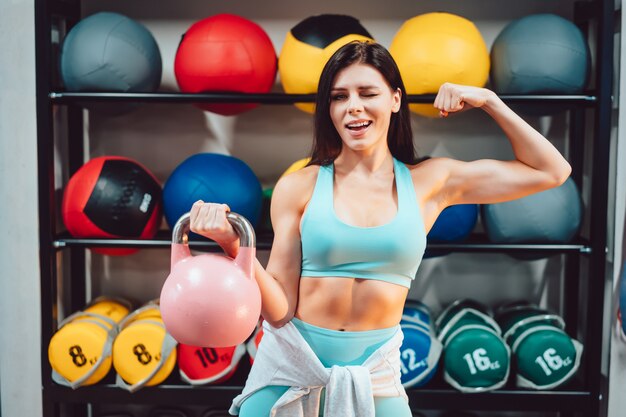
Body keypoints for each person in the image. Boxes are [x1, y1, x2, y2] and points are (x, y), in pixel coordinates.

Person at [189, 41, 571, 417]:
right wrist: (233, 244)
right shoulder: (299, 187)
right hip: (292, 366)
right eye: (339, 97)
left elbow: (552, 171)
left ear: (395, 99)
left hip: (375, 375)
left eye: (367, 92)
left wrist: (489, 100)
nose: (353, 106)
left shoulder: (432, 182)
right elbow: (280, 310)